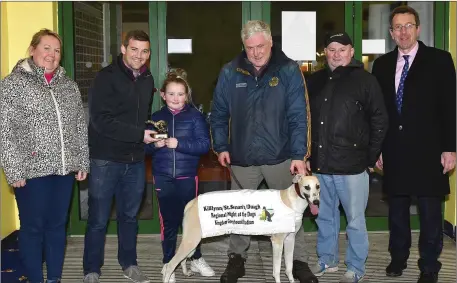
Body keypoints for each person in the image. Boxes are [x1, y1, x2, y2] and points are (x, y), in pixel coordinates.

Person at [210, 20, 317, 283]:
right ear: (243, 46)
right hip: (242, 158)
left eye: (260, 46)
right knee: (241, 213)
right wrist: (221, 146)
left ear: (270, 42)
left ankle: (299, 262)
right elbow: (219, 114)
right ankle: (237, 259)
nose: (256, 52)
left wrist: (299, 155)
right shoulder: (230, 71)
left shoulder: (289, 70)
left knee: (292, 214)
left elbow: (298, 116)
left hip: (281, 158)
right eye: (250, 48)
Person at [371, 6, 456, 283]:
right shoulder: (381, 65)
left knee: (431, 213)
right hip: (394, 150)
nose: (403, 31)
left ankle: (430, 265)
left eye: (408, 26)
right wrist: (378, 148)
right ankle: (398, 258)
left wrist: (450, 147)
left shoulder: (440, 60)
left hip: (430, 151)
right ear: (391, 33)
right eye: (397, 27)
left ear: (418, 29)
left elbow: (450, 107)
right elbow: (379, 112)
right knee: (397, 211)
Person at [0, 29, 89, 283]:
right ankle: (36, 279)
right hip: (31, 171)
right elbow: (4, 130)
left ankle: (55, 279)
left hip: (63, 170)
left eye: (57, 50)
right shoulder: (12, 84)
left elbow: (79, 126)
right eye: (46, 48)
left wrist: (81, 160)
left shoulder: (68, 86)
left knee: (57, 227)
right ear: (32, 49)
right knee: (33, 228)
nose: (52, 54)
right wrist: (14, 169)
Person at [306, 31, 388, 283]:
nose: (337, 54)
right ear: (325, 52)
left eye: (342, 49)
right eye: (331, 49)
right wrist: (306, 154)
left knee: (355, 220)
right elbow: (305, 120)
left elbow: (380, 119)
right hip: (321, 165)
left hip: (353, 166)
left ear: (352, 52)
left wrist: (369, 156)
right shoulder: (314, 80)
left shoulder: (365, 80)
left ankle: (355, 267)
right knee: (325, 218)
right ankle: (327, 260)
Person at [83, 30, 158, 283]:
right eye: (134, 49)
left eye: (145, 51)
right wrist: (140, 134)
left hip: (134, 161)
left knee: (129, 217)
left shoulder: (147, 78)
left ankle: (129, 264)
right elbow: (101, 121)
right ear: (123, 49)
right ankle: (91, 270)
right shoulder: (105, 77)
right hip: (105, 159)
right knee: (98, 219)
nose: (139, 55)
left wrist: (153, 135)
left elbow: (142, 117)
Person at [146, 71, 215, 282]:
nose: (176, 98)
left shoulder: (195, 116)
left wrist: (180, 144)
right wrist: (154, 146)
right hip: (163, 177)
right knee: (168, 222)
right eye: (171, 94)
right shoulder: (156, 118)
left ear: (187, 95)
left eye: (180, 94)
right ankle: (168, 263)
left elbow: (205, 145)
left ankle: (195, 257)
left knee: (192, 222)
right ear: (163, 95)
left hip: (187, 177)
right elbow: (144, 150)